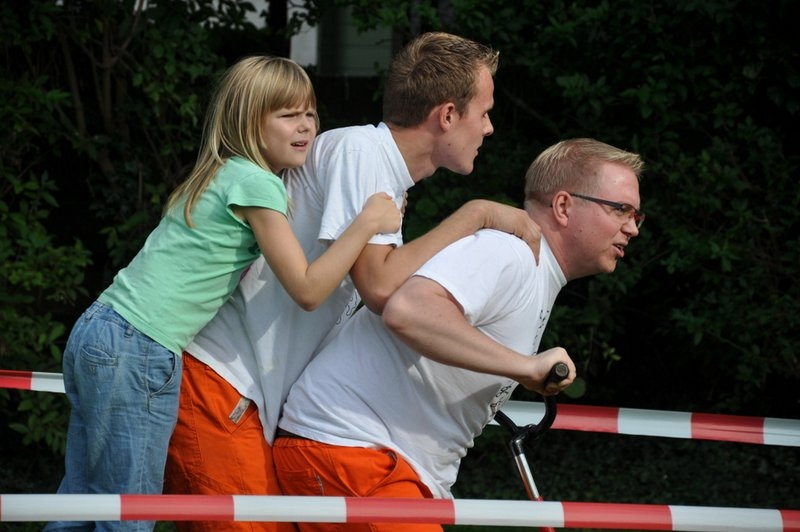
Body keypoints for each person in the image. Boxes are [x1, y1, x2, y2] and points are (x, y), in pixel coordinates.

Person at [163, 32, 541, 531]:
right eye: (485, 113)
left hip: (244, 400)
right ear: (447, 115)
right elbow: (380, 289)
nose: (490, 128)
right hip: (221, 388)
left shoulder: (378, 171)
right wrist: (475, 215)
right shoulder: (361, 152)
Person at [46, 56, 401, 532]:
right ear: (249, 122)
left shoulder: (220, 172)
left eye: (310, 113)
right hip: (140, 346)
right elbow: (308, 289)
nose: (306, 126)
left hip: (100, 329)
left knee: (82, 505)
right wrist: (367, 223)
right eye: (288, 115)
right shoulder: (258, 185)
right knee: (128, 515)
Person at [273, 138, 646, 532]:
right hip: (354, 451)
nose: (632, 227)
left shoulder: (535, 270)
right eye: (620, 209)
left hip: (375, 463)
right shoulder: (509, 253)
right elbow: (408, 311)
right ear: (564, 206)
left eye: (637, 215)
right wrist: (524, 367)